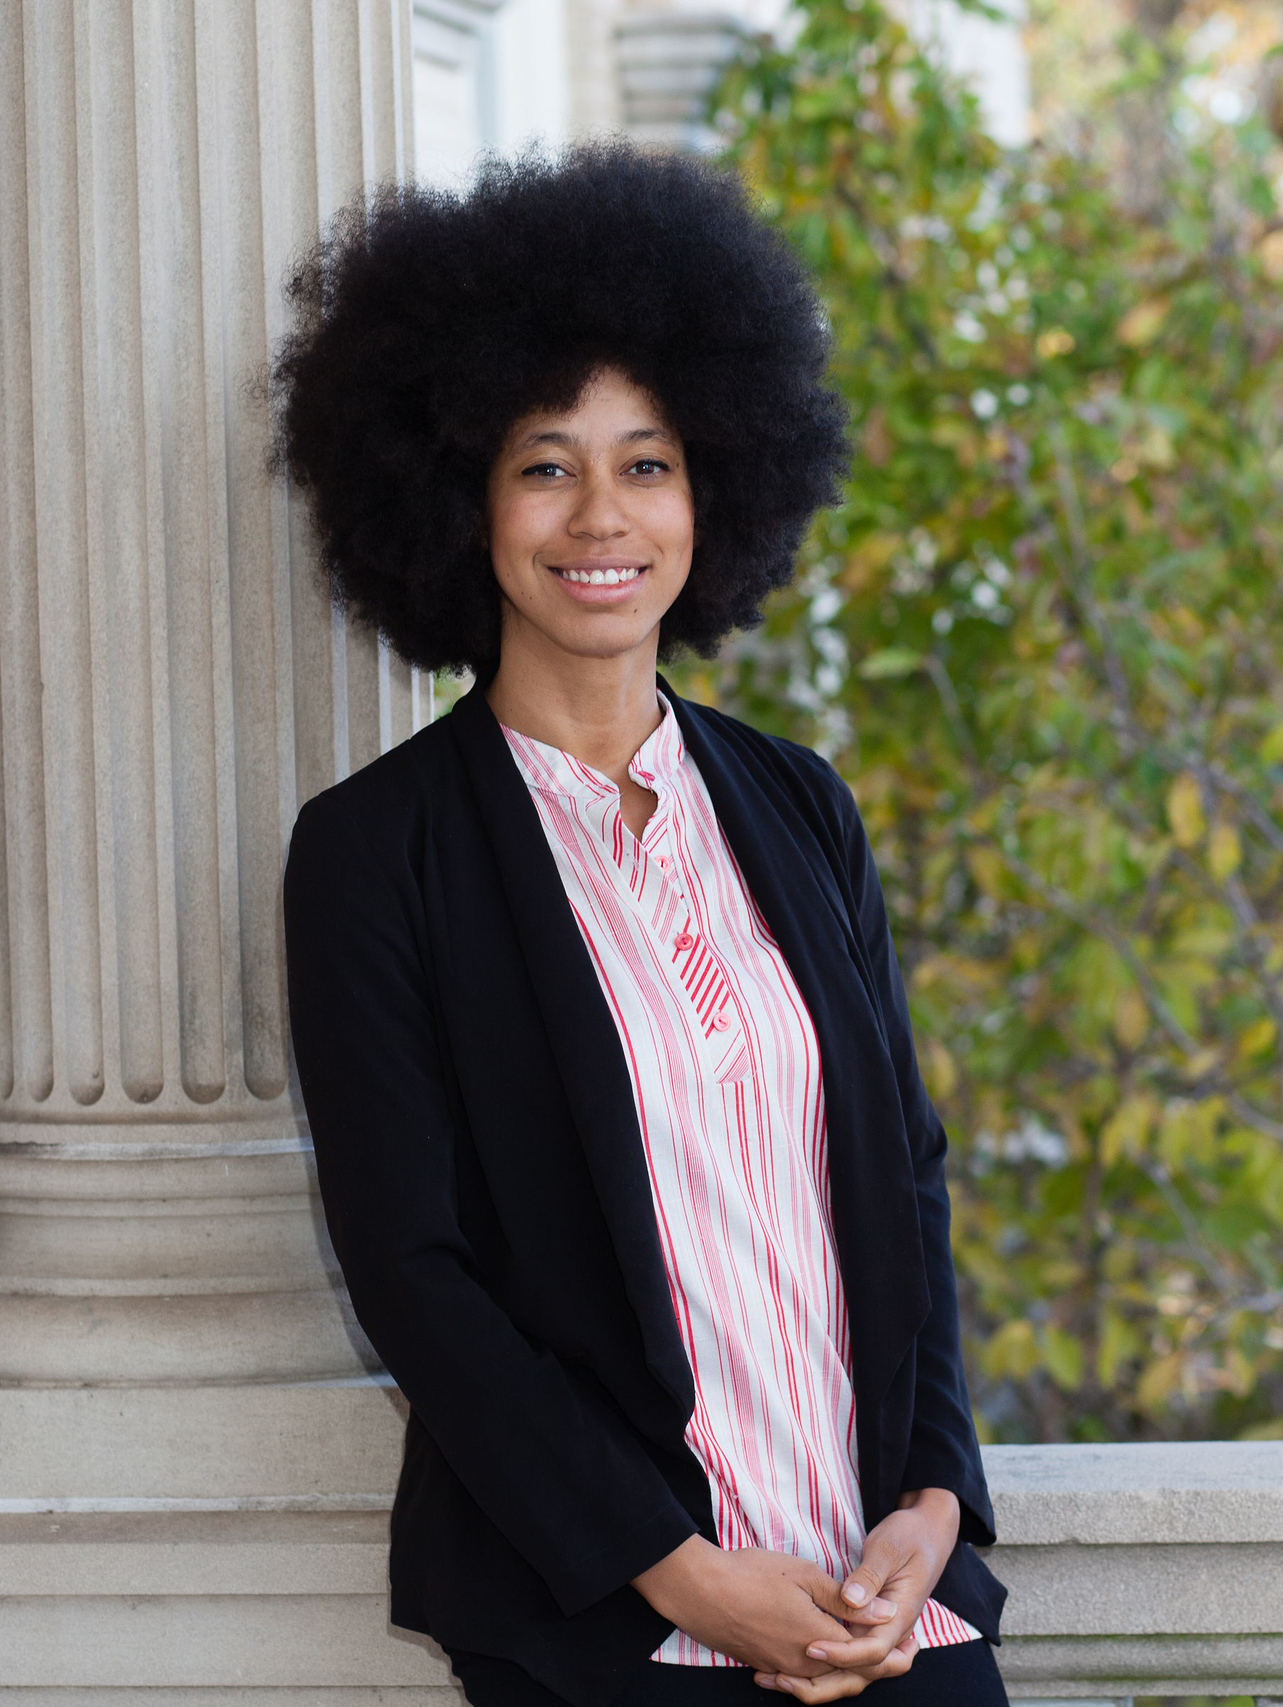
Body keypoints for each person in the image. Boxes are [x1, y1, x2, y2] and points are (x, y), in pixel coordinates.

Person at [275, 145, 1009, 1707]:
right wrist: (681, 1573)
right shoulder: (376, 855)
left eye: (648, 463)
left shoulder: (800, 804)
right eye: (546, 466)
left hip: (886, 1606)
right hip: (618, 1631)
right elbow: (416, 1276)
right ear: (460, 497)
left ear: (716, 485)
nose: (601, 516)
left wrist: (936, 1498)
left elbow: (905, 1174)